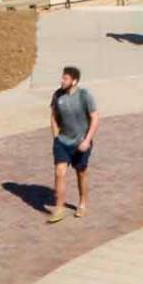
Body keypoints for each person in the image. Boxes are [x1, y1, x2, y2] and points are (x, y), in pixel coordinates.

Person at [49, 66, 100, 223]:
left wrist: (87, 140)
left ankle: (82, 203)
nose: (62, 81)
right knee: (60, 172)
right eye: (62, 78)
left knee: (81, 172)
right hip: (62, 142)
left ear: (74, 81)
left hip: (80, 143)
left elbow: (95, 118)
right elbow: (53, 117)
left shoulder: (84, 96)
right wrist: (56, 137)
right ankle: (59, 208)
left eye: (65, 78)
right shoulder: (58, 95)